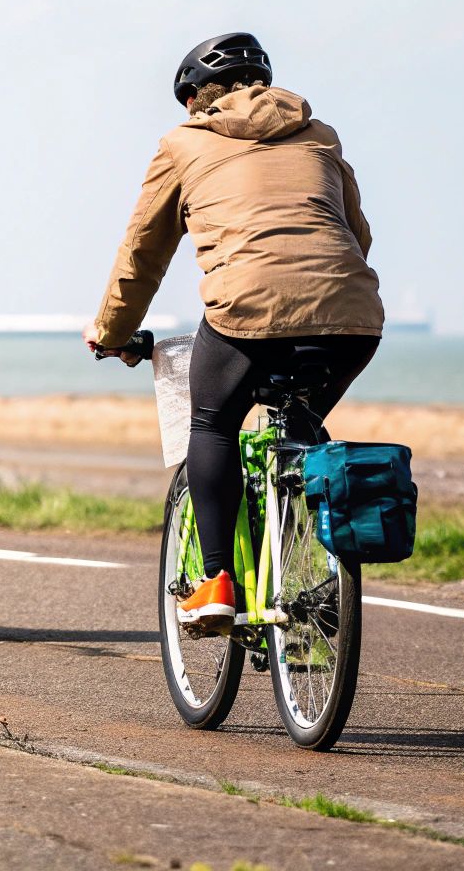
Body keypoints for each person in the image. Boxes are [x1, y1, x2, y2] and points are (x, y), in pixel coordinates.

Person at [85, 33, 383, 630]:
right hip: (352, 316)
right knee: (300, 428)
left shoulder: (183, 143)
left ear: (195, 96)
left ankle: (218, 578)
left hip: (246, 310)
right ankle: (307, 566)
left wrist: (112, 330)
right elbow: (357, 233)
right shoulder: (320, 134)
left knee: (212, 420)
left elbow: (143, 252)